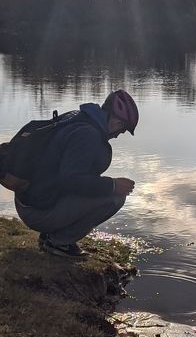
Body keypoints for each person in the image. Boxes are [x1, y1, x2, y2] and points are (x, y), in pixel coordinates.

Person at [14, 89, 139, 258]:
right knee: (115, 198)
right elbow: (71, 181)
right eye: (122, 129)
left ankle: (50, 236)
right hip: (36, 212)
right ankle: (58, 243)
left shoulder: (79, 118)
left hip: (30, 200)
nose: (118, 135)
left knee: (103, 190)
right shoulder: (88, 135)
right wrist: (113, 185)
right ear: (116, 122)